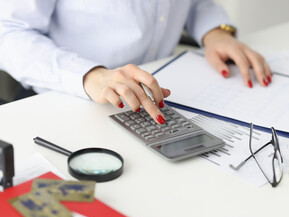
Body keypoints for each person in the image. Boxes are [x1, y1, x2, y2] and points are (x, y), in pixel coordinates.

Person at [0, 0, 271, 124]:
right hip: (61, 102)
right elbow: (7, 30)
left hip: (152, 102)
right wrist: (89, 75)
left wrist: (215, 31)